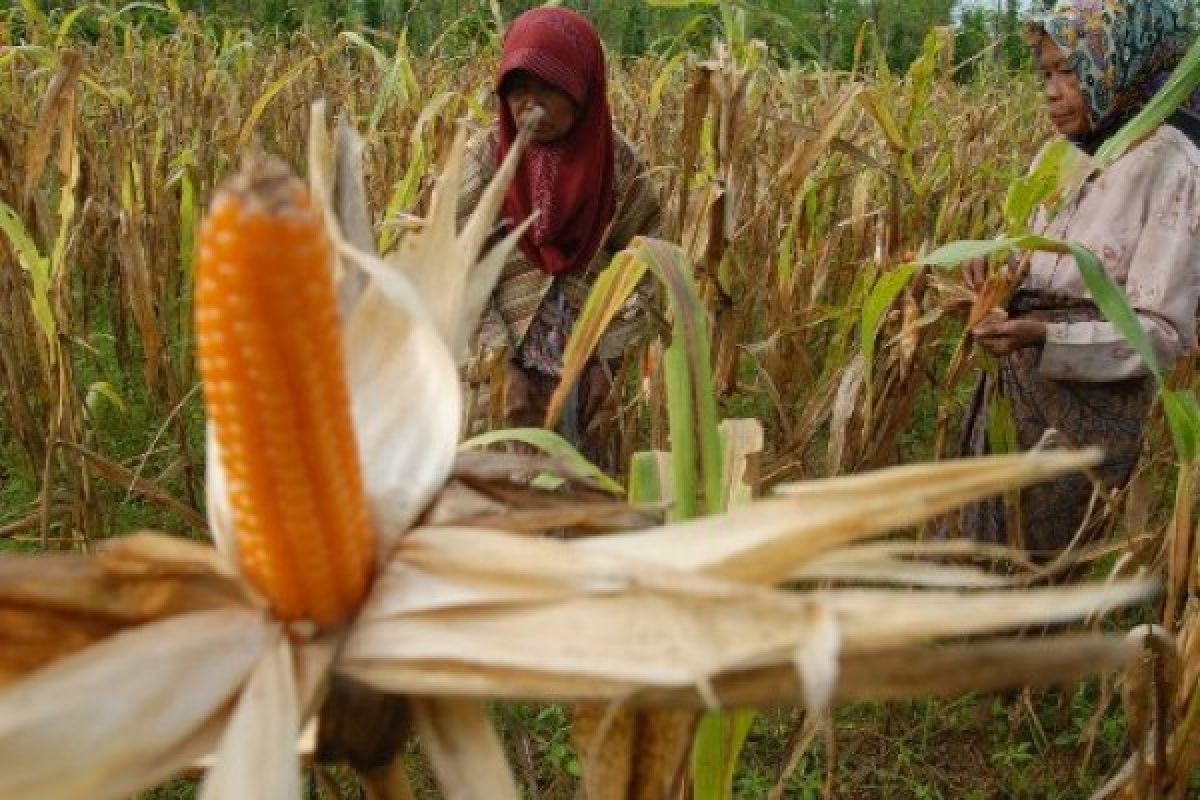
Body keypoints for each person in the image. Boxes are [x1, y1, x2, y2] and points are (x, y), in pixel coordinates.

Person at [959, 0, 1199, 560]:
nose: (1050, 90)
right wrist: (995, 270)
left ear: (1118, 64)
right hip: (1011, 396)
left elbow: (1159, 334)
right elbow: (1034, 253)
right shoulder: (1062, 154)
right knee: (974, 555)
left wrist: (1043, 335)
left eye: (1069, 70)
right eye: (1045, 72)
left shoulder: (1175, 169)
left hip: (1086, 421)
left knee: (1030, 576)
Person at [456, 7, 661, 460]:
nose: (531, 107)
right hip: (499, 361)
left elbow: (645, 264)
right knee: (503, 498)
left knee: (579, 494)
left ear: (583, 91)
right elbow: (457, 268)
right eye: (519, 91)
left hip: (586, 366)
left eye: (550, 90)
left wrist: (608, 355)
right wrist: (499, 364)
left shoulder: (618, 165)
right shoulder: (483, 161)